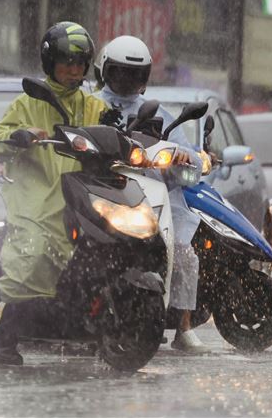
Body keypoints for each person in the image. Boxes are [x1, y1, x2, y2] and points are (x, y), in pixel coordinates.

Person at [0, 22, 108, 365]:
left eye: (80, 63)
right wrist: (20, 135)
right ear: (49, 62)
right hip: (34, 201)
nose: (73, 70)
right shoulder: (29, 102)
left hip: (82, 201)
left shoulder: (94, 106)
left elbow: (115, 135)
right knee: (29, 261)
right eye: (66, 61)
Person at [94, 35, 210, 354]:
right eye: (119, 72)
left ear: (145, 78)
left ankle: (183, 328)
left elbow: (192, 159)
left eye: (136, 74)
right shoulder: (92, 105)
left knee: (184, 255)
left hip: (156, 203)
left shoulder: (162, 114)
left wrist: (183, 157)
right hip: (105, 195)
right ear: (105, 70)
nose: (127, 80)